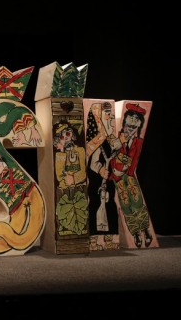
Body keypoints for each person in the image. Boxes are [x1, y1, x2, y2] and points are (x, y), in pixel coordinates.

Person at [109, 103, 152, 248]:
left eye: (135, 125)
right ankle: (135, 233)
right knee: (125, 204)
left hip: (129, 175)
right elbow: (111, 155)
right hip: (117, 176)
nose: (131, 128)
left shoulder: (138, 141)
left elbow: (134, 161)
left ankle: (145, 229)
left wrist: (128, 171)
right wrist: (115, 171)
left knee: (137, 201)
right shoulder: (117, 138)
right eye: (129, 124)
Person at [86, 102, 121, 250]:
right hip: (97, 181)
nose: (111, 117)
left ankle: (109, 239)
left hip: (109, 180)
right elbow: (93, 162)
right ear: (98, 118)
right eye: (107, 114)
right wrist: (100, 170)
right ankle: (93, 240)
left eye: (111, 114)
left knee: (110, 206)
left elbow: (118, 149)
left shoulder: (110, 137)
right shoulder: (97, 139)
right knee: (95, 205)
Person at [53, 120, 86, 189]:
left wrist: (73, 179)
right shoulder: (60, 155)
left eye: (67, 134)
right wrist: (62, 150)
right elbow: (59, 176)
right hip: (64, 189)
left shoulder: (80, 150)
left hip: (80, 187)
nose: (65, 138)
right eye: (62, 137)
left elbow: (83, 172)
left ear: (72, 134)